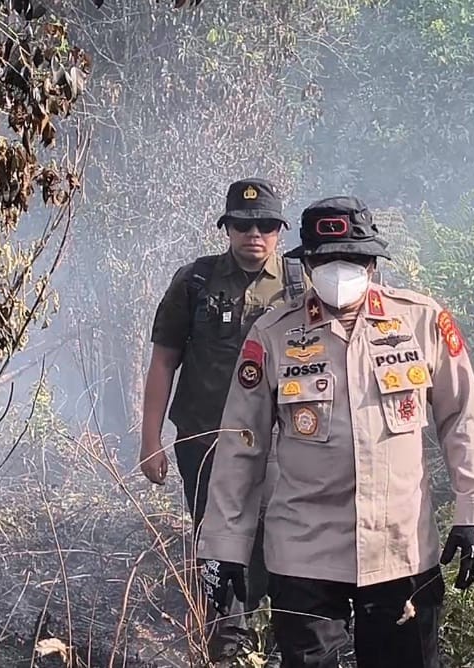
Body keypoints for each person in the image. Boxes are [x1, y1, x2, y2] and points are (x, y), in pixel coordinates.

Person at [195, 195, 474, 668]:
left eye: (352, 258)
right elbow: (241, 444)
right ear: (308, 264)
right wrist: (223, 545)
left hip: (401, 549)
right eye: (326, 259)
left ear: (373, 263)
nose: (340, 269)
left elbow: (461, 417)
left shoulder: (421, 321)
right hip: (303, 555)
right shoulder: (273, 335)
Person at [139, 177, 306, 662]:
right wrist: (151, 439)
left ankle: (282, 633)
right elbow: (164, 359)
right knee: (215, 533)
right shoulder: (194, 281)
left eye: (264, 225)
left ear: (279, 230)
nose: (253, 234)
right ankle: (227, 639)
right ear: (226, 227)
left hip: (281, 439)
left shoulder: (302, 283)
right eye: (242, 224)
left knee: (276, 532)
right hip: (205, 435)